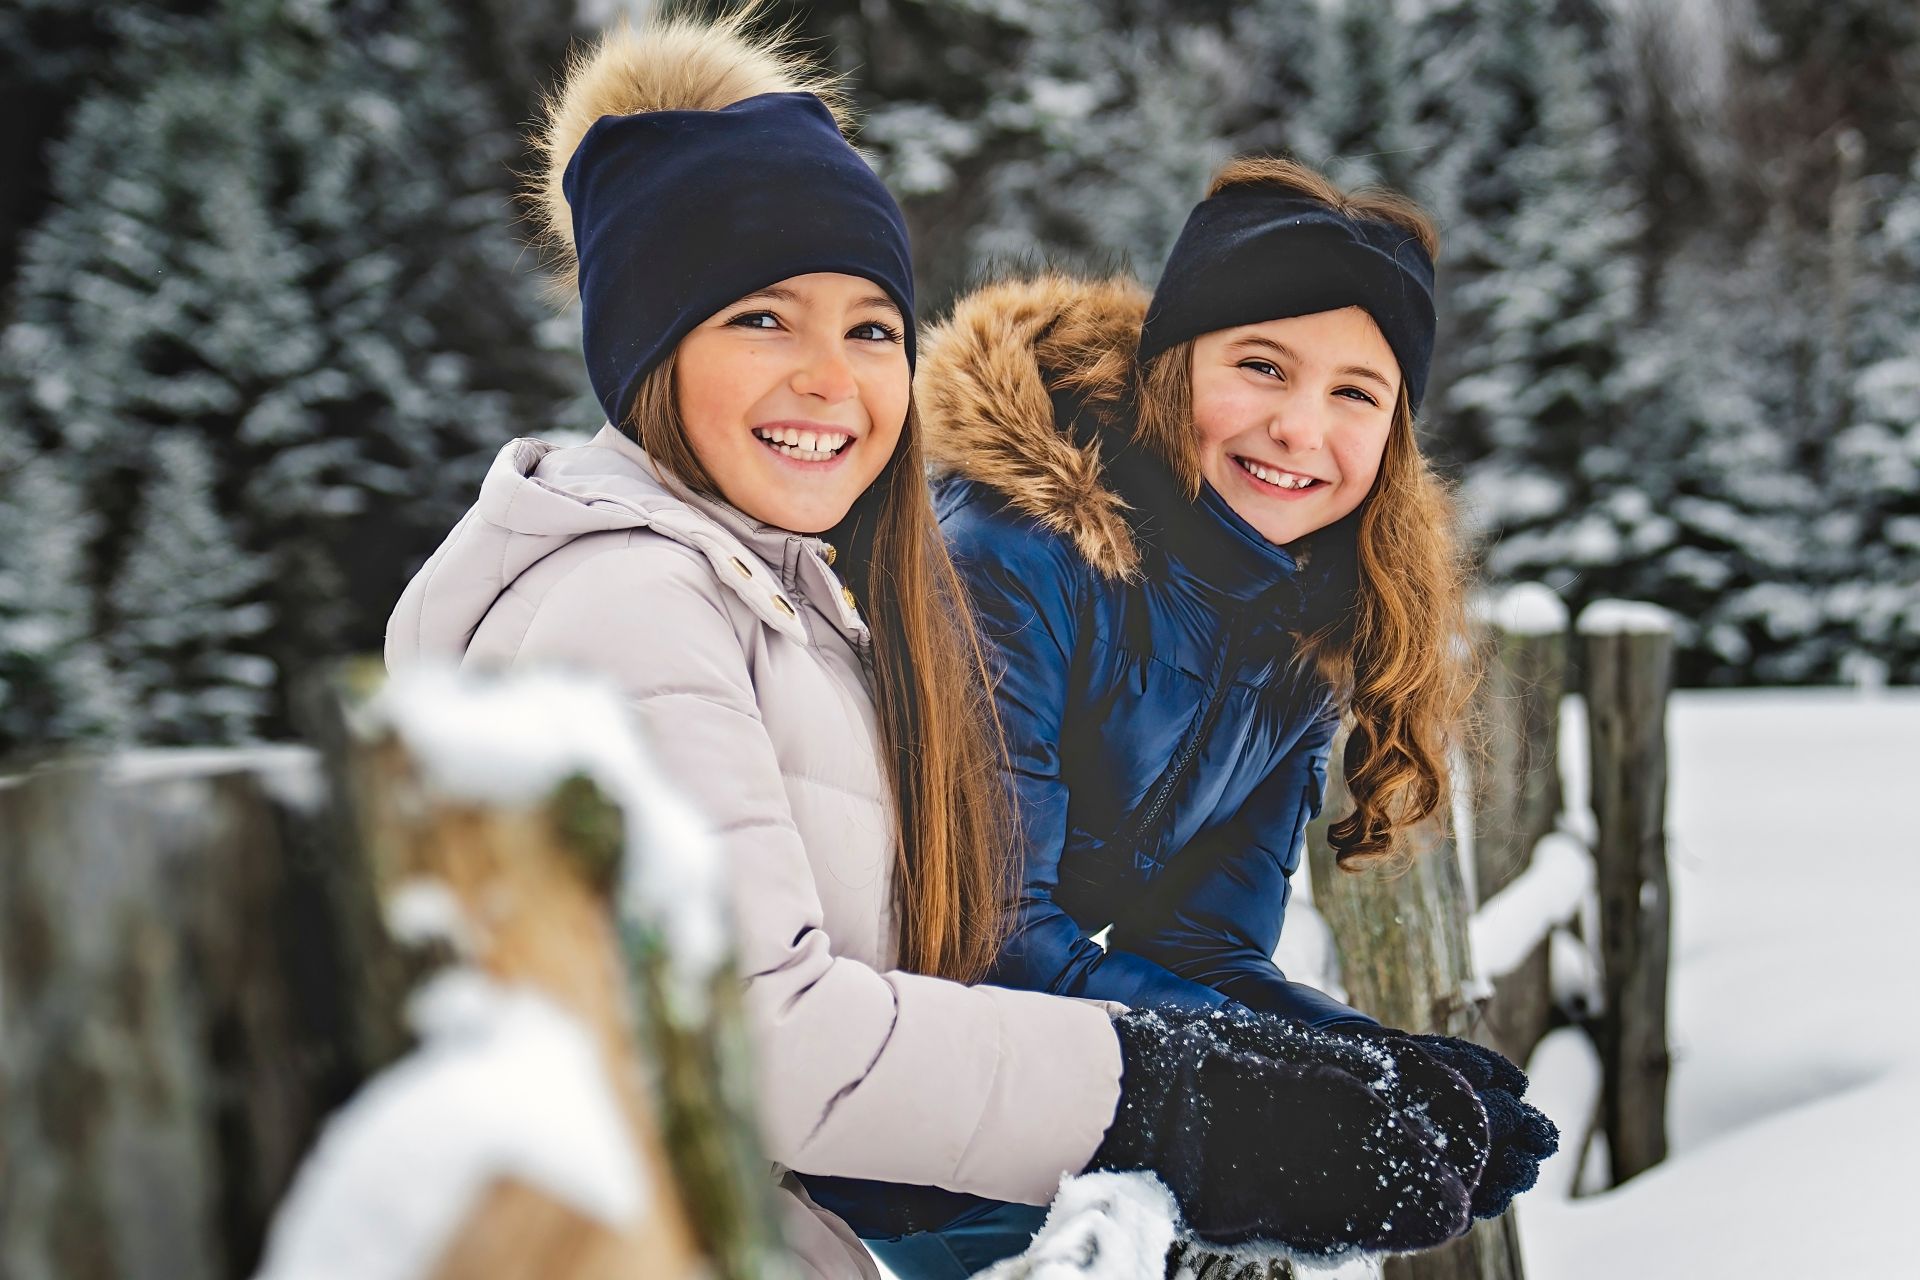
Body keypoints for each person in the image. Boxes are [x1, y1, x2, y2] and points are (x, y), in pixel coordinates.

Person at [387, 15, 1537, 1279]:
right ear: (644, 342)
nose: (830, 378)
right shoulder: (640, 605)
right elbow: (801, 1021)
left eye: (872, 328)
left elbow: (1175, 943)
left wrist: (1348, 1064)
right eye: (763, 319)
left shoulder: (780, 596)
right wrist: (1187, 1096)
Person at [805, 158, 1560, 1267]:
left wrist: (1371, 1053)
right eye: (1263, 365)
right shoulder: (1010, 551)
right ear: (1170, 365)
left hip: (1021, 1120)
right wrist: (1305, 1084)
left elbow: (1202, 939)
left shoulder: (1304, 618)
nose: (1303, 427)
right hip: (851, 1126)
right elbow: (992, 939)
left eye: (1359, 392)